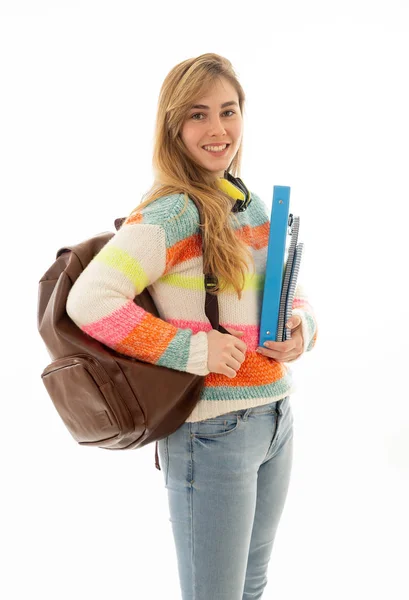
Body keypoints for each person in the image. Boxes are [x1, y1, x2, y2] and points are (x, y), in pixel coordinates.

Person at [66, 52, 318, 600]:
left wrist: (303, 328)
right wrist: (193, 350)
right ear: (173, 126)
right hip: (213, 432)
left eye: (229, 111)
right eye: (198, 115)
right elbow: (91, 300)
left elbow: (287, 292)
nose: (218, 129)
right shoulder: (172, 212)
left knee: (250, 585)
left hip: (274, 417)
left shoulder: (247, 202)